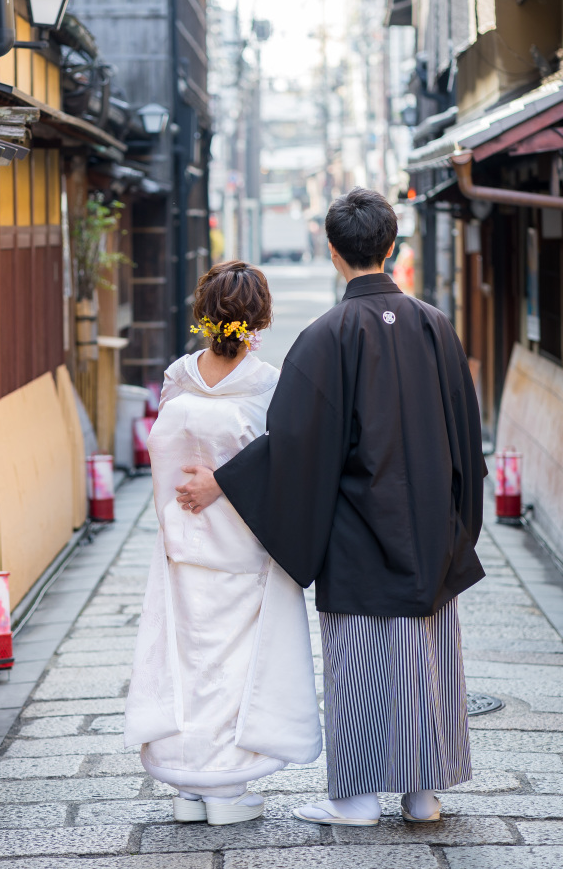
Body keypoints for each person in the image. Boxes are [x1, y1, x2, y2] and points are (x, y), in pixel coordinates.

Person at [177, 190, 485, 828]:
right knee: (428, 662)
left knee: (365, 667)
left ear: (331, 248)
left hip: (359, 535)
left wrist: (225, 482)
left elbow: (294, 446)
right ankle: (424, 794)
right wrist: (460, 526)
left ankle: (355, 799)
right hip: (431, 529)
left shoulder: (325, 337)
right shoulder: (436, 325)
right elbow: (466, 433)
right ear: (391, 247)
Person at [124, 261, 322, 827]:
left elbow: (164, 452)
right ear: (258, 321)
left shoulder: (178, 376)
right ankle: (223, 790)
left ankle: (187, 788)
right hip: (243, 547)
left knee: (184, 659)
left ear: (202, 316)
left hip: (181, 544)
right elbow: (280, 463)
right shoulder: (266, 384)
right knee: (234, 666)